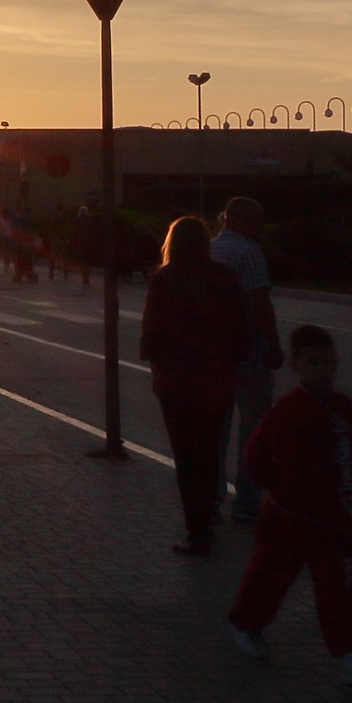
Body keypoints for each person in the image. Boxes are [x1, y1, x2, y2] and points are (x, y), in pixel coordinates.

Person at [226, 324, 352, 689]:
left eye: (328, 362)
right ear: (296, 366)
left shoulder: (343, 409)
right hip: (290, 517)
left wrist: (348, 494)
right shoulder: (288, 411)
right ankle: (246, 623)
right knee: (270, 576)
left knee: (342, 589)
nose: (323, 370)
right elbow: (257, 456)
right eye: (313, 362)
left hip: (331, 521)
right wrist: (281, 490)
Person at [140, 215, 249, 555]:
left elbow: (152, 334)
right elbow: (240, 330)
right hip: (217, 379)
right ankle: (209, 513)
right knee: (210, 452)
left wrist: (158, 364)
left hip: (177, 383)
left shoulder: (165, 279)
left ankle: (196, 530)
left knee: (187, 458)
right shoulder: (224, 278)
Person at [210, 197, 282, 524]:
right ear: (244, 221)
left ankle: (212, 496)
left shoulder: (210, 249)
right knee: (253, 428)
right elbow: (259, 302)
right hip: (249, 351)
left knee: (217, 429)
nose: (262, 227)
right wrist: (273, 345)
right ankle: (248, 500)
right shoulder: (249, 252)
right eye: (259, 220)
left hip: (216, 352)